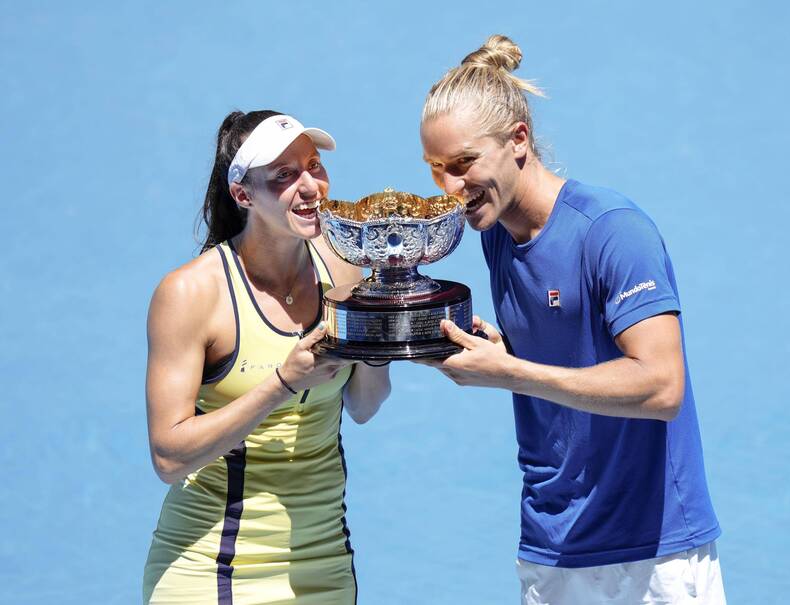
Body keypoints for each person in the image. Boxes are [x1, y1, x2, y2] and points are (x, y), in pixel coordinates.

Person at [419, 36, 726, 604]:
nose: (450, 189)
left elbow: (662, 386)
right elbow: (563, 347)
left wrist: (511, 373)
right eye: (436, 169)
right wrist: (502, 349)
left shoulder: (612, 230)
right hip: (550, 546)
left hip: (654, 554)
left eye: (463, 164)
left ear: (518, 139)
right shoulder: (497, 238)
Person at [142, 110, 391, 604]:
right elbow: (169, 458)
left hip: (323, 567)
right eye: (284, 175)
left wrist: (378, 339)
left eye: (314, 166)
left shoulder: (346, 271)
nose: (310, 186)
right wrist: (281, 383)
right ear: (243, 195)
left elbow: (363, 407)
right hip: (211, 568)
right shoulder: (191, 294)